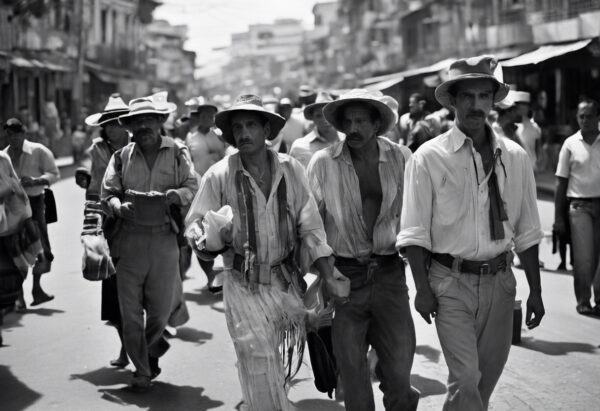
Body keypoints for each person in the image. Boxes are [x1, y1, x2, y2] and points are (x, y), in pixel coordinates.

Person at [397, 55, 545, 411]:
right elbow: (414, 230)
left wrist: (536, 292)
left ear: (493, 101)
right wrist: (422, 290)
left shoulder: (515, 156)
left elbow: (526, 231)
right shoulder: (428, 157)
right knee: (466, 378)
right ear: (453, 102)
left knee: (481, 382)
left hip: (499, 282)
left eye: (483, 95)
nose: (476, 105)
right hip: (450, 283)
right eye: (468, 96)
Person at [184, 94, 349, 411]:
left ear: (265, 130)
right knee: (258, 357)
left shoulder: (291, 170)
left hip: (285, 281)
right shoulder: (219, 174)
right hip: (243, 283)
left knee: (269, 361)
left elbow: (311, 227)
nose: (243, 133)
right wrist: (210, 236)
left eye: (250, 125)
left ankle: (261, 403)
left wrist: (329, 275)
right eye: (238, 127)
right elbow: (194, 224)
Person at [307, 88, 419, 411]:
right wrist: (326, 276)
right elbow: (311, 226)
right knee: (353, 376)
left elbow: (416, 218)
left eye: (361, 121)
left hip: (390, 275)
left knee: (399, 372)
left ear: (376, 123)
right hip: (345, 278)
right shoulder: (323, 162)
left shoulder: (401, 158)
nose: (353, 128)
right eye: (348, 121)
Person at [101, 93, 198, 391]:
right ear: (130, 127)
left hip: (163, 240)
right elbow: (108, 194)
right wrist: (118, 207)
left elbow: (192, 186)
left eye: (149, 120)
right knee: (130, 313)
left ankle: (148, 347)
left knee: (159, 312)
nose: (144, 126)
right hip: (129, 241)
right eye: (138, 121)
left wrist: (173, 196)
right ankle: (142, 369)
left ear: (159, 122)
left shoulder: (177, 151)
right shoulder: (121, 157)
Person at [75, 93, 130, 367]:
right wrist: (82, 176)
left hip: (135, 219)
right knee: (113, 287)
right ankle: (126, 348)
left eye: (117, 123)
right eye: (108, 124)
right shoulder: (96, 148)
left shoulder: (137, 146)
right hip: (105, 222)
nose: (112, 128)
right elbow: (87, 171)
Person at [4, 118, 59, 309]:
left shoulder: (39, 151)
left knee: (41, 247)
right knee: (14, 249)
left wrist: (36, 181)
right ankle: (19, 296)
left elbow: (54, 173)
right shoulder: (4, 156)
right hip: (12, 207)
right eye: (10, 134)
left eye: (17, 134)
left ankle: (37, 289)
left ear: (23, 134)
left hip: (35, 204)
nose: (13, 138)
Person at [554, 99, 600, 316]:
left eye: (589, 116)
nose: (585, 120)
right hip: (579, 206)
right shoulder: (570, 144)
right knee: (584, 258)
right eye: (581, 116)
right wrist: (558, 218)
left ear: (598, 117)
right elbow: (560, 182)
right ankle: (583, 300)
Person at [183, 96, 227, 292]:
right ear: (198, 117)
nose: (209, 118)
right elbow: (187, 166)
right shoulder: (190, 138)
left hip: (222, 190)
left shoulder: (219, 136)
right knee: (201, 236)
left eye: (211, 114)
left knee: (224, 232)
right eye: (205, 115)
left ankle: (225, 273)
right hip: (199, 192)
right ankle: (211, 276)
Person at [0, 151, 42, 346]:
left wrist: (25, 220)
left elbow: (16, 189)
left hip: (8, 227)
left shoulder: (2, 158)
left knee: (14, 272)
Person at [289, 91, 343, 168]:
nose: (324, 119)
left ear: (336, 116)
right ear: (312, 118)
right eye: (318, 115)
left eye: (328, 114)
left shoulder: (348, 142)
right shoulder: (299, 147)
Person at [514, 91, 542, 172]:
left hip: (531, 167)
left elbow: (538, 148)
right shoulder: (510, 126)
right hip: (515, 167)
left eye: (524, 105)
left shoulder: (535, 127)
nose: (521, 108)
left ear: (529, 107)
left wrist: (537, 163)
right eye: (519, 105)